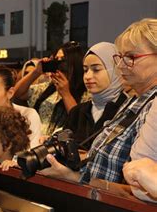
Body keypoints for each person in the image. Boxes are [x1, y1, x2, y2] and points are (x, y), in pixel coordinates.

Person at [38, 18, 157, 189]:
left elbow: (140, 190)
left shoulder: (150, 103)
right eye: (120, 57)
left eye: (131, 57)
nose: (121, 65)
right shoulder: (136, 101)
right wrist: (74, 175)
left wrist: (77, 178)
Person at [14, 41, 88, 136]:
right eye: (56, 59)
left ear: (74, 64)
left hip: (60, 147)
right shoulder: (47, 88)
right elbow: (17, 93)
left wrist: (66, 94)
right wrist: (36, 72)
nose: (59, 64)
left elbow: (78, 123)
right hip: (37, 144)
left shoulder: (86, 94)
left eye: (63, 60)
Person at [65, 42, 127, 150]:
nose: (88, 76)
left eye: (96, 69)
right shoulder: (77, 112)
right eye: (85, 70)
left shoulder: (127, 110)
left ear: (115, 70)